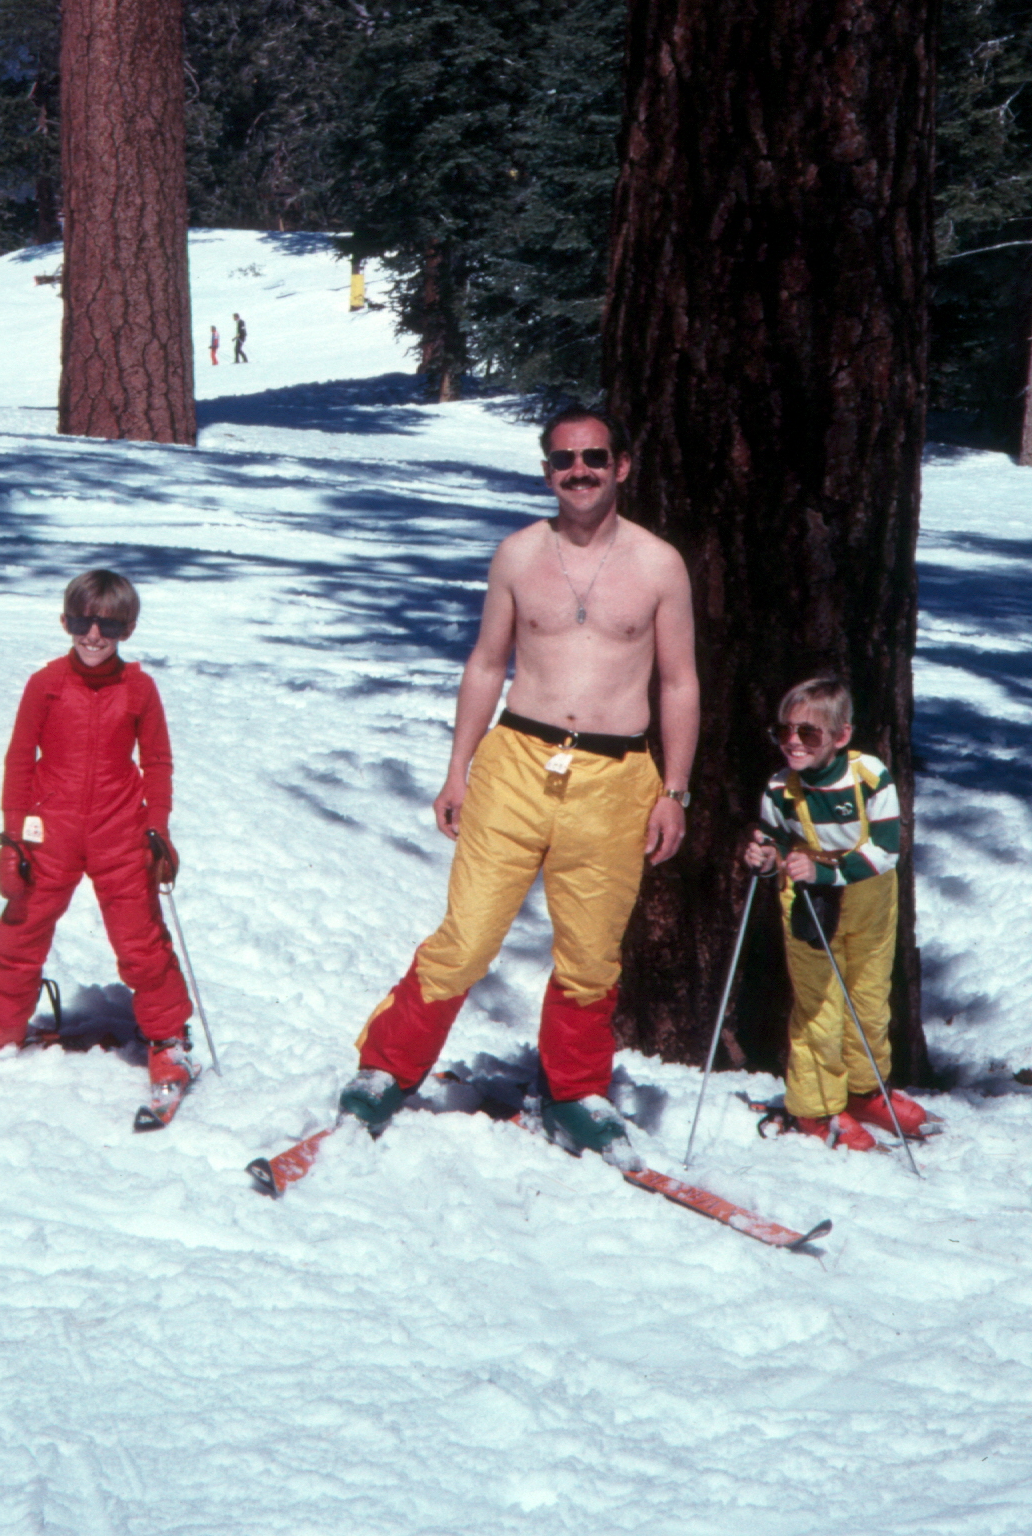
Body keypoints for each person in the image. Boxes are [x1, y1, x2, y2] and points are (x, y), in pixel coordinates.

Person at [340, 406, 699, 1156]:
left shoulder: (659, 564)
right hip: (515, 760)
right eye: (564, 459)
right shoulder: (516, 554)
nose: (580, 470)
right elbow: (483, 663)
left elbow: (678, 684)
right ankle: (385, 1069)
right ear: (546, 470)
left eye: (595, 456)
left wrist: (674, 789)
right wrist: (456, 768)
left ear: (622, 465)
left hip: (615, 776)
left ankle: (575, 1092)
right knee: (467, 936)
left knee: (591, 950)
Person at [0, 569, 195, 1095]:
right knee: (22, 926)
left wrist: (156, 828)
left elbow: (157, 763)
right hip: (51, 828)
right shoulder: (46, 684)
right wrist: (12, 840)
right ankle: (2, 1021)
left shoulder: (139, 689)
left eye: (108, 626)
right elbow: (20, 761)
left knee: (140, 940)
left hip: (120, 830)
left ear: (128, 630)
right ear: (65, 621)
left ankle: (168, 1039)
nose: (93, 636)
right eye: (81, 622)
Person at [740, 673, 928, 1147]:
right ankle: (816, 1109)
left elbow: (888, 849)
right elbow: (774, 844)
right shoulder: (780, 788)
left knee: (869, 1000)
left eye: (808, 733)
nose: (793, 744)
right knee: (819, 1008)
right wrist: (764, 860)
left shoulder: (867, 776)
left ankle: (864, 1091)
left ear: (841, 736)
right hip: (809, 905)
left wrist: (829, 872)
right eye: (784, 732)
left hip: (868, 899)